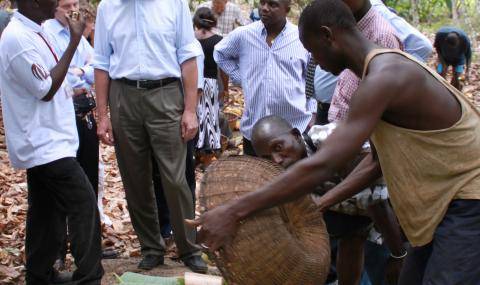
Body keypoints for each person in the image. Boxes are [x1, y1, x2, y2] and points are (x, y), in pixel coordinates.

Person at [189, 1, 480, 284]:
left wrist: (234, 210)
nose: (314, 63)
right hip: (445, 207)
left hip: (468, 202)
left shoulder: (383, 78)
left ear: (328, 36)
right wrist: (322, 203)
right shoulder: (376, 75)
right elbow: (376, 161)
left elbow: (326, 163)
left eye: (313, 51)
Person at [93, 0, 207, 272]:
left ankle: (188, 247)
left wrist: (190, 110)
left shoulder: (174, 4)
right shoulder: (108, 7)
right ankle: (151, 247)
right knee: (135, 178)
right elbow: (101, 62)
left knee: (175, 177)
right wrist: (103, 115)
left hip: (166, 94)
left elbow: (188, 56)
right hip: (123, 96)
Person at [0, 3, 103, 285]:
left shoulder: (36, 31)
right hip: (42, 142)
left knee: (46, 211)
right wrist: (72, 43)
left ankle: (39, 274)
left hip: (51, 139)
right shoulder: (17, 38)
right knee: (83, 204)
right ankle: (90, 277)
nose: (58, 2)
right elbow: (45, 89)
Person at [251, 116, 405, 285]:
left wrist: (398, 255)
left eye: (278, 147)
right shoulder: (287, 174)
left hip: (395, 220)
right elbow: (351, 235)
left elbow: (377, 200)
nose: (277, 160)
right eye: (267, 158)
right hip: (360, 227)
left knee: (396, 274)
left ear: (295, 135)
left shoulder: (329, 141)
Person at [213, 0, 317, 156]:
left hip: (293, 129)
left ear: (286, 9)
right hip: (255, 131)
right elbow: (220, 53)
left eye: (273, 4)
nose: (265, 8)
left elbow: (312, 76)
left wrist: (313, 112)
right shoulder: (244, 35)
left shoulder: (300, 37)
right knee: (257, 178)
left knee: (292, 178)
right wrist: (241, 78)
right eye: (262, 3)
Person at [194, 7, 228, 156]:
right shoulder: (219, 41)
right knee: (211, 115)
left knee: (196, 114)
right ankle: (210, 148)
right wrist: (225, 88)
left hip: (193, 82)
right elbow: (224, 69)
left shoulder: (192, 39)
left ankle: (196, 147)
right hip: (210, 83)